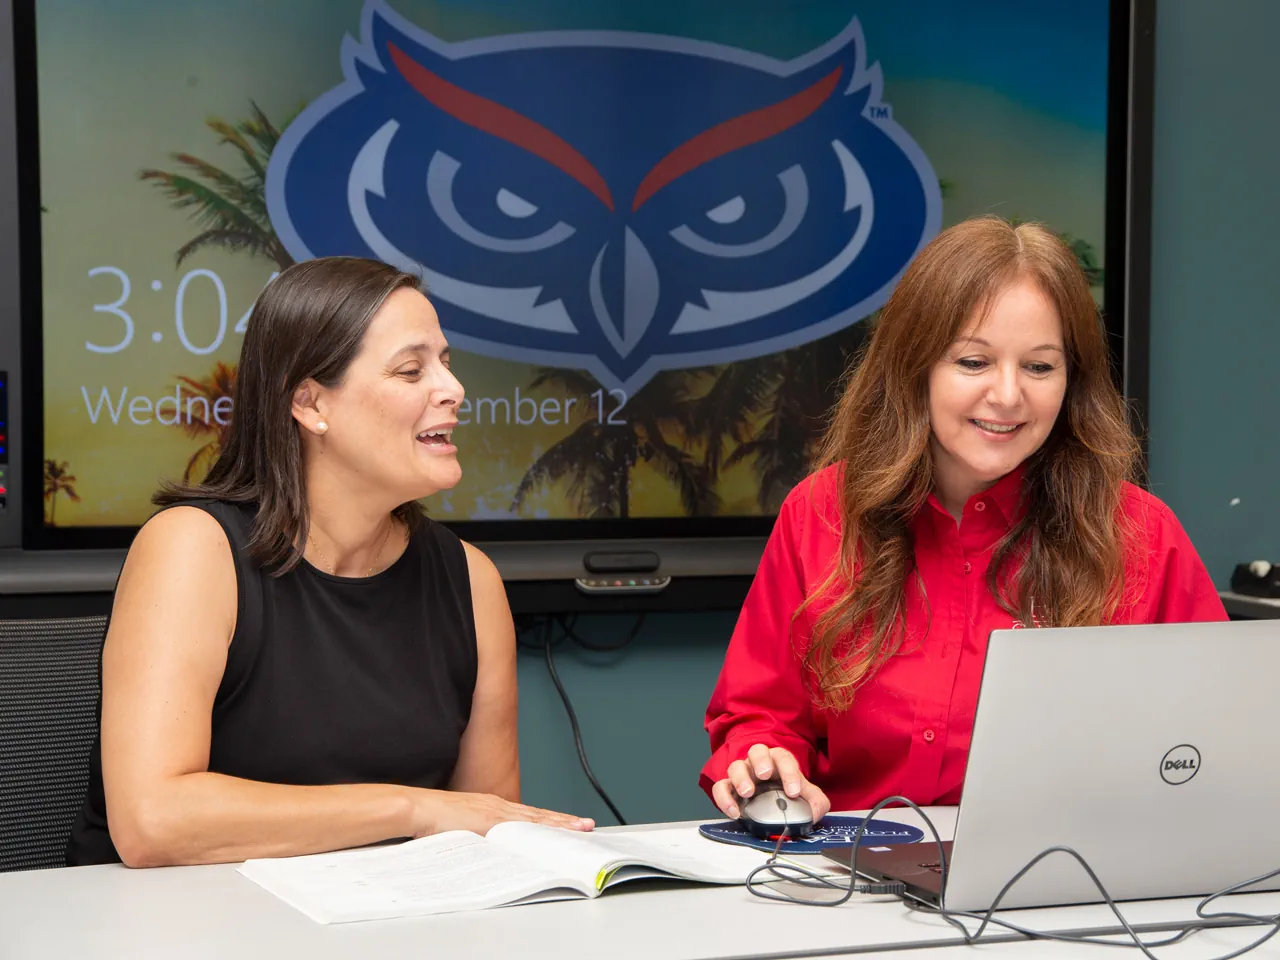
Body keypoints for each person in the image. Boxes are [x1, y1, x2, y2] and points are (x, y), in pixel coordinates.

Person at [66, 257, 593, 867]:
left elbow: (488, 830)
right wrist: (412, 809)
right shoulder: (192, 548)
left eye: (446, 362)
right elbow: (153, 822)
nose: (453, 389)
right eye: (410, 370)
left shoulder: (470, 580)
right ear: (311, 404)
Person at [700, 216, 1227, 823]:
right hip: (848, 884)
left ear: (1071, 381)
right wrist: (763, 762)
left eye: (1039, 367)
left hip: (1069, 887)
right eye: (974, 362)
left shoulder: (1142, 534)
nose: (1007, 396)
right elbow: (761, 716)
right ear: (914, 368)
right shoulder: (820, 513)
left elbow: (1208, 744)